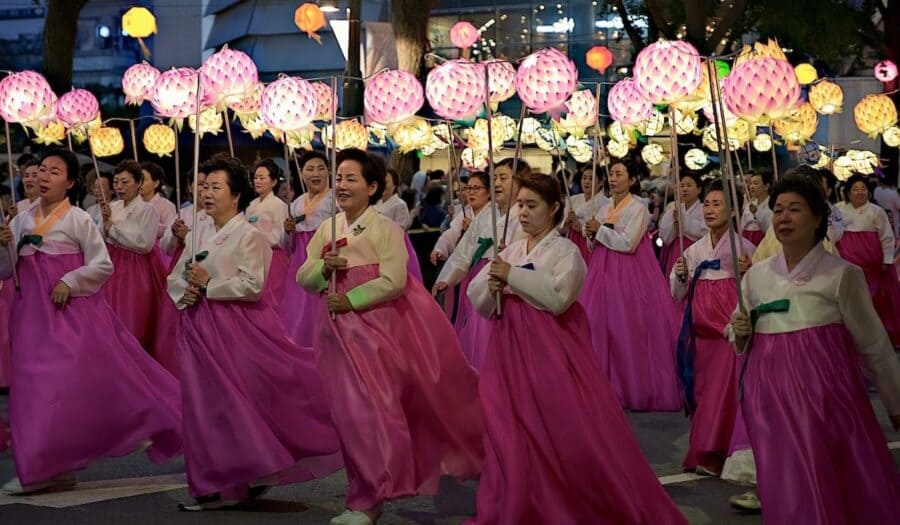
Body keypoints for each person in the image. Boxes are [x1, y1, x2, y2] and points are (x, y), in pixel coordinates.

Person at [466, 173, 687, 525]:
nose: (522, 212)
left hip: (549, 354)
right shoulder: (510, 249)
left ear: (554, 208)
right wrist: (493, 285)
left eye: (532, 205)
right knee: (507, 427)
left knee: (555, 429)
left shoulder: (566, 251)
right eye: (520, 205)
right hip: (506, 351)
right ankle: (520, 500)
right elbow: (478, 300)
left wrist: (512, 278)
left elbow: (558, 298)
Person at [296, 148, 482, 525]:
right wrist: (321, 268)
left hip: (375, 331)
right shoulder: (327, 229)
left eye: (351, 179)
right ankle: (362, 496)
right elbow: (303, 278)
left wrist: (350, 298)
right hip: (333, 331)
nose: (342, 186)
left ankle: (373, 496)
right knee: (347, 415)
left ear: (373, 187)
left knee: (373, 412)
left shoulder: (386, 229)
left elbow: (394, 281)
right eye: (340, 178)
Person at [0, 149, 181, 495]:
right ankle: (51, 467)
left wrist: (70, 281)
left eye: (54, 172)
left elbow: (102, 265)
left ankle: (42, 468)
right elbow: (7, 270)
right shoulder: (19, 221)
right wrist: (2, 246)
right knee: (29, 390)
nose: (43, 176)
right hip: (28, 319)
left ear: (69, 183)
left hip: (66, 318)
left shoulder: (79, 219)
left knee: (55, 389)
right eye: (40, 170)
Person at [167, 158, 342, 511]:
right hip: (197, 327)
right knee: (202, 406)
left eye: (216, 187)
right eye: (205, 187)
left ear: (236, 195)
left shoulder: (249, 235)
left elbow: (252, 284)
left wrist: (209, 284)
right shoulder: (198, 232)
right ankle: (215, 481)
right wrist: (183, 292)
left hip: (234, 329)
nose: (208, 193)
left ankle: (230, 481)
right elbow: (176, 275)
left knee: (230, 404)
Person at [729, 174, 900, 524]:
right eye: (777, 210)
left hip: (826, 402)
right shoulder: (755, 276)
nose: (783, 218)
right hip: (770, 402)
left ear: (817, 217)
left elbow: (875, 346)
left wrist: (895, 403)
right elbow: (738, 334)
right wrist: (740, 331)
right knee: (785, 484)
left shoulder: (842, 274)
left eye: (794, 209)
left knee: (829, 480)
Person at [581, 157, 682, 411]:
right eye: (611, 174)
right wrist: (590, 234)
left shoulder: (638, 208)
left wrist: (600, 231)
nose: (613, 178)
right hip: (601, 272)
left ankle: (629, 385)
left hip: (629, 274)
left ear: (633, 180)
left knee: (626, 326)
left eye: (618, 174)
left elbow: (629, 243)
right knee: (600, 325)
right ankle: (603, 385)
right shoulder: (603, 208)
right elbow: (596, 245)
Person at [671, 180, 754, 476]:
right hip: (700, 335)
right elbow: (678, 293)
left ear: (733, 210)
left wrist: (749, 271)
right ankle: (704, 451)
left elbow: (753, 290)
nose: (709, 209)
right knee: (704, 394)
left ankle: (717, 454)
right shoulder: (693, 250)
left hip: (726, 334)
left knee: (724, 394)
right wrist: (680, 276)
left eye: (717, 204)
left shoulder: (743, 248)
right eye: (707, 203)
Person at [432, 158, 530, 370]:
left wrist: (512, 253)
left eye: (503, 178)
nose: (496, 183)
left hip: (506, 282)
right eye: (494, 177)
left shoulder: (525, 214)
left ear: (520, 181)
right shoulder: (487, 214)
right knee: (478, 333)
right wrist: (447, 278)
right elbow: (465, 249)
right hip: (479, 280)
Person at [100, 161, 170, 358]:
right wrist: (104, 222)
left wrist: (112, 228)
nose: (119, 187)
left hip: (135, 267)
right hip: (111, 263)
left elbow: (144, 243)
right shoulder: (112, 206)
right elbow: (102, 236)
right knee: (108, 315)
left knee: (130, 316)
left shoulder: (148, 210)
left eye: (125, 182)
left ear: (138, 183)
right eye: (116, 182)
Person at [836, 173, 900, 345]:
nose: (860, 192)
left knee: (876, 300)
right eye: (855, 189)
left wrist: (887, 260)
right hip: (847, 263)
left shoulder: (877, 211)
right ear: (847, 192)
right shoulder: (838, 210)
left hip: (873, 266)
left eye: (863, 189)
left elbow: (887, 237)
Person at [281, 150, 334, 347]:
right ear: (302, 173)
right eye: (310, 169)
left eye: (321, 168)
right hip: (300, 262)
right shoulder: (295, 204)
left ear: (328, 172)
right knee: (298, 309)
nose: (316, 174)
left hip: (324, 259)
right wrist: (288, 231)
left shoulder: (335, 199)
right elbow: (286, 245)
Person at [247, 158, 291, 306]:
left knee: (272, 298)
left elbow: (281, 237)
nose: (257, 181)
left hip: (273, 257)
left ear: (273, 182)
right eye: (255, 177)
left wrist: (259, 236)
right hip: (253, 256)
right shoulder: (251, 205)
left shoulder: (279, 206)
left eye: (262, 178)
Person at [159, 165, 214, 273]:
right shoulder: (183, 213)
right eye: (200, 184)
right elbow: (165, 248)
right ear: (189, 187)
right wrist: (174, 234)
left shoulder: (216, 215)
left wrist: (186, 236)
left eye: (207, 185)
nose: (203, 189)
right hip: (180, 266)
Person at [375, 165, 423, 282]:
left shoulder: (400, 204)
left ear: (395, 184)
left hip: (394, 246)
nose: (383, 185)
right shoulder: (375, 202)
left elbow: (401, 228)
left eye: (387, 182)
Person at [659, 171, 707, 276]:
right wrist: (674, 226)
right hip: (675, 251)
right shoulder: (674, 208)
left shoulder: (704, 209)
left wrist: (683, 222)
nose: (685, 189)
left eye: (689, 185)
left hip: (695, 251)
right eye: (682, 186)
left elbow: (704, 232)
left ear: (699, 189)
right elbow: (664, 236)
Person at [566, 164, 607, 261]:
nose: (586, 182)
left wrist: (582, 229)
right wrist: (567, 220)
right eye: (584, 178)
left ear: (601, 182)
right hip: (572, 243)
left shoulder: (606, 203)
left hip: (593, 246)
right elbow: (560, 227)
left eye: (591, 178)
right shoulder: (573, 200)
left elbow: (604, 230)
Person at [140, 161, 177, 240]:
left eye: (144, 179)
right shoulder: (134, 203)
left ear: (156, 183)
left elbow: (170, 231)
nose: (140, 183)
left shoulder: (166, 205)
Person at [740, 171, 772, 245]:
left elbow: (769, 230)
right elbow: (742, 225)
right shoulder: (750, 205)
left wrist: (756, 213)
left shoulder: (772, 204)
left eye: (755, 183)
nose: (751, 186)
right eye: (751, 184)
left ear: (766, 186)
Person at [873, 172, 900, 238]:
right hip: (893, 220)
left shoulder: (876, 190)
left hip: (879, 219)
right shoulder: (893, 193)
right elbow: (899, 207)